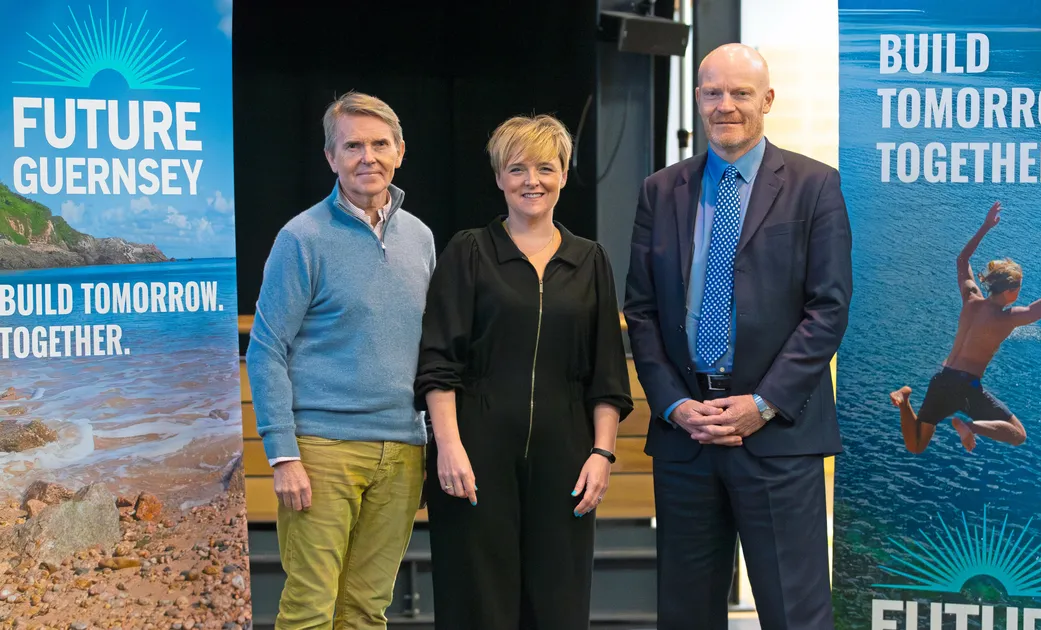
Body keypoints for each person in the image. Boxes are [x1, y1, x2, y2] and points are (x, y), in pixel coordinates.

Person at [623, 43, 853, 630]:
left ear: (767, 100)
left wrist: (762, 404)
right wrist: (674, 405)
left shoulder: (814, 186)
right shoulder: (660, 190)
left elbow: (827, 310)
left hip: (776, 436)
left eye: (740, 93)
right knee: (686, 614)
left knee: (794, 614)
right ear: (698, 100)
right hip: (687, 436)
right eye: (713, 92)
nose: (726, 105)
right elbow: (642, 311)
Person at [414, 114, 633, 630]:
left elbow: (606, 370)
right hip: (475, 455)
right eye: (517, 169)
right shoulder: (469, 251)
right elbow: (438, 362)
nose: (531, 180)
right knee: (477, 605)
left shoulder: (590, 260)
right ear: (498, 178)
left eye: (545, 168)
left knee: (557, 606)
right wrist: (448, 447)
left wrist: (602, 453)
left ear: (563, 173)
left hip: (567, 459)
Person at [246, 91, 435, 629]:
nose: (366, 157)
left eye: (379, 144)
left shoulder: (420, 238)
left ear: (399, 151)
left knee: (366, 610)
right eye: (352, 145)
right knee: (310, 610)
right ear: (331, 158)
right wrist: (283, 456)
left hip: (402, 450)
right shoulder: (301, 238)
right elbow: (266, 349)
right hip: (321, 451)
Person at [890, 201, 1041, 454]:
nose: (1020, 292)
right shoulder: (1007, 318)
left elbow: (962, 259)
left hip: (942, 378)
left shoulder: (970, 297)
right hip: (965, 386)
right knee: (1018, 434)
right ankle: (970, 426)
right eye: (1019, 287)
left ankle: (904, 398)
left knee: (916, 445)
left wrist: (986, 226)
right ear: (1010, 291)